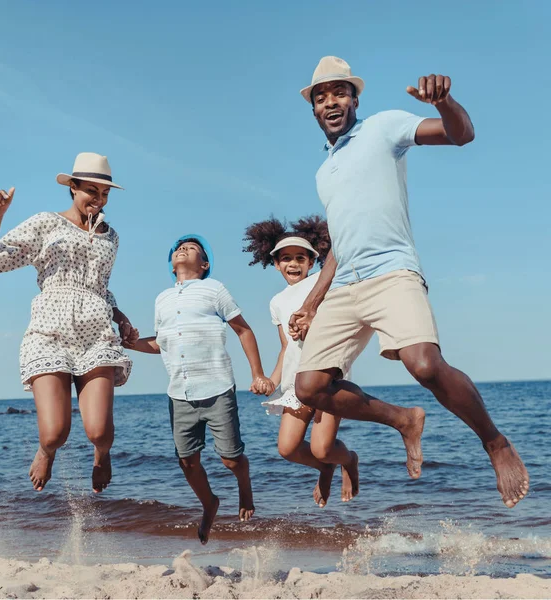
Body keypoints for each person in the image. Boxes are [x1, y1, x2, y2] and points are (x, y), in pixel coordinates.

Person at [290, 56, 529, 508]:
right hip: (344, 287)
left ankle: (495, 442)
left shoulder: (384, 128)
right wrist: (314, 301)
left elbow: (462, 134)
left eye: (339, 92)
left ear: (355, 99)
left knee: (423, 365)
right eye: (321, 97)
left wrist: (445, 103)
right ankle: (402, 419)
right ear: (315, 110)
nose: (330, 102)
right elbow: (340, 242)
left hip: (391, 270)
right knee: (309, 387)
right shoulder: (324, 171)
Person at [0, 152, 138, 493]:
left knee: (99, 432)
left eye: (105, 194)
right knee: (55, 433)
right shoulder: (46, 223)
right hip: (50, 330)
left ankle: (101, 454)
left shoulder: (111, 236)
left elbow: (101, 288)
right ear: (73, 188)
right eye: (91, 191)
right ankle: (46, 451)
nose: (98, 200)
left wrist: (121, 317)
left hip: (96, 333)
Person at [133, 234, 274, 545]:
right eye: (178, 248)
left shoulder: (214, 289)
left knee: (231, 460)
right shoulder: (162, 299)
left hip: (217, 387)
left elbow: (243, 330)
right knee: (187, 460)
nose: (182, 248)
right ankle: (209, 503)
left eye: (192, 247)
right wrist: (129, 343)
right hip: (179, 393)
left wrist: (258, 374)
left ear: (205, 263)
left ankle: (244, 488)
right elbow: (160, 343)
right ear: (172, 265)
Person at [244, 215, 362, 506]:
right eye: (286, 258)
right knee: (287, 448)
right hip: (294, 383)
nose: (293, 263)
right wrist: (271, 380)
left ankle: (348, 461)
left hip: (324, 379)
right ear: (275, 264)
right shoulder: (277, 301)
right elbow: (286, 347)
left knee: (323, 448)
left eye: (300, 257)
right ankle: (325, 468)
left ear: (312, 262)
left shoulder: (322, 285)